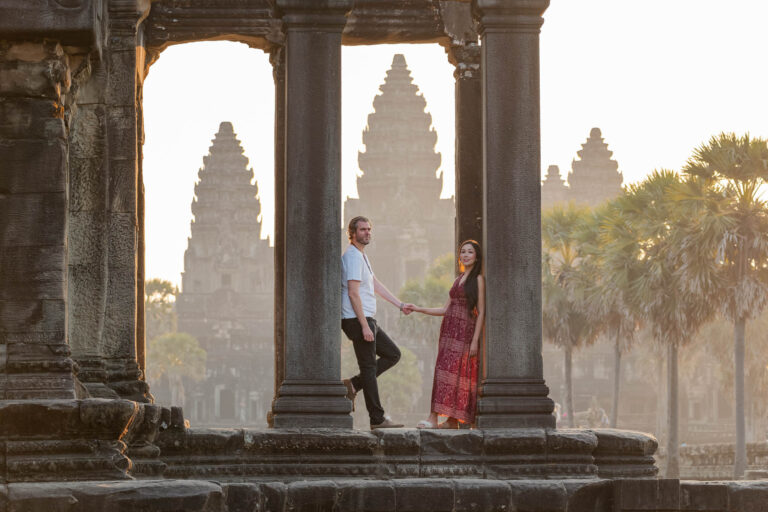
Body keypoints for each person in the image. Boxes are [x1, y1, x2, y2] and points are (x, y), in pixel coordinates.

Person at [341, 216, 414, 429]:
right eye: (362, 230)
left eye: (369, 229)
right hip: (357, 319)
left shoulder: (361, 256)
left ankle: (354, 384)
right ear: (352, 233)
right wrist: (364, 325)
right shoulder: (352, 257)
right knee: (369, 366)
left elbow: (374, 284)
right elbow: (353, 293)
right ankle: (377, 419)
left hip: (366, 318)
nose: (367, 233)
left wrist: (399, 304)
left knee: (392, 354)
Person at [410, 240, 485, 429]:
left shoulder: (478, 279)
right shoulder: (458, 279)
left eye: (470, 252)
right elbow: (445, 309)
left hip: (465, 333)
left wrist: (475, 340)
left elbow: (481, 311)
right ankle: (446, 419)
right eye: (463, 252)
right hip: (449, 332)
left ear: (476, 257)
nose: (465, 255)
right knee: (443, 371)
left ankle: (441, 419)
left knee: (457, 374)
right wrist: (418, 308)